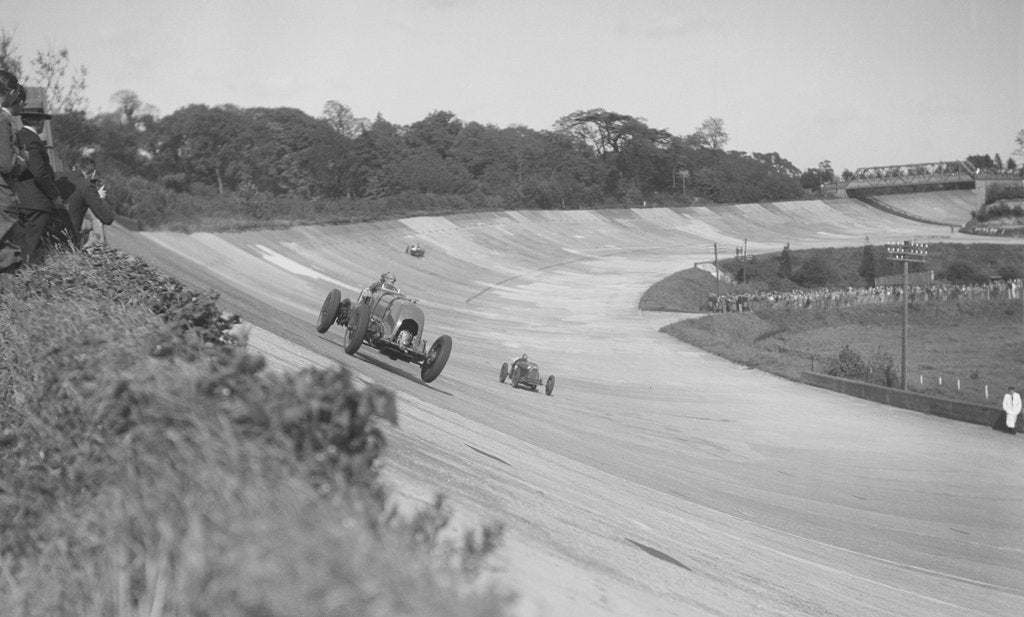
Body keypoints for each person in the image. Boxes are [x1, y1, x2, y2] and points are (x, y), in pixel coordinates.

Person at [13, 101, 63, 265]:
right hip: (36, 202)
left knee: (21, 244)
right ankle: (27, 283)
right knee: (31, 248)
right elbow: (40, 172)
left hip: (20, 199)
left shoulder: (18, 136)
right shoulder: (33, 141)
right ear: (40, 121)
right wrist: (55, 196)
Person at [57, 152, 115, 247]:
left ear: (76, 167)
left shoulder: (59, 175)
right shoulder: (87, 186)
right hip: (67, 238)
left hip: (47, 229)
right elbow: (107, 218)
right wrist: (101, 197)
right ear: (93, 173)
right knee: (94, 225)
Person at [0, 73, 25, 271]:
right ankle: (9, 300)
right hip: (2, 193)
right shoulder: (3, 120)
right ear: (9, 92)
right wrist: (22, 163)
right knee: (7, 251)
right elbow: (7, 164)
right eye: (15, 90)